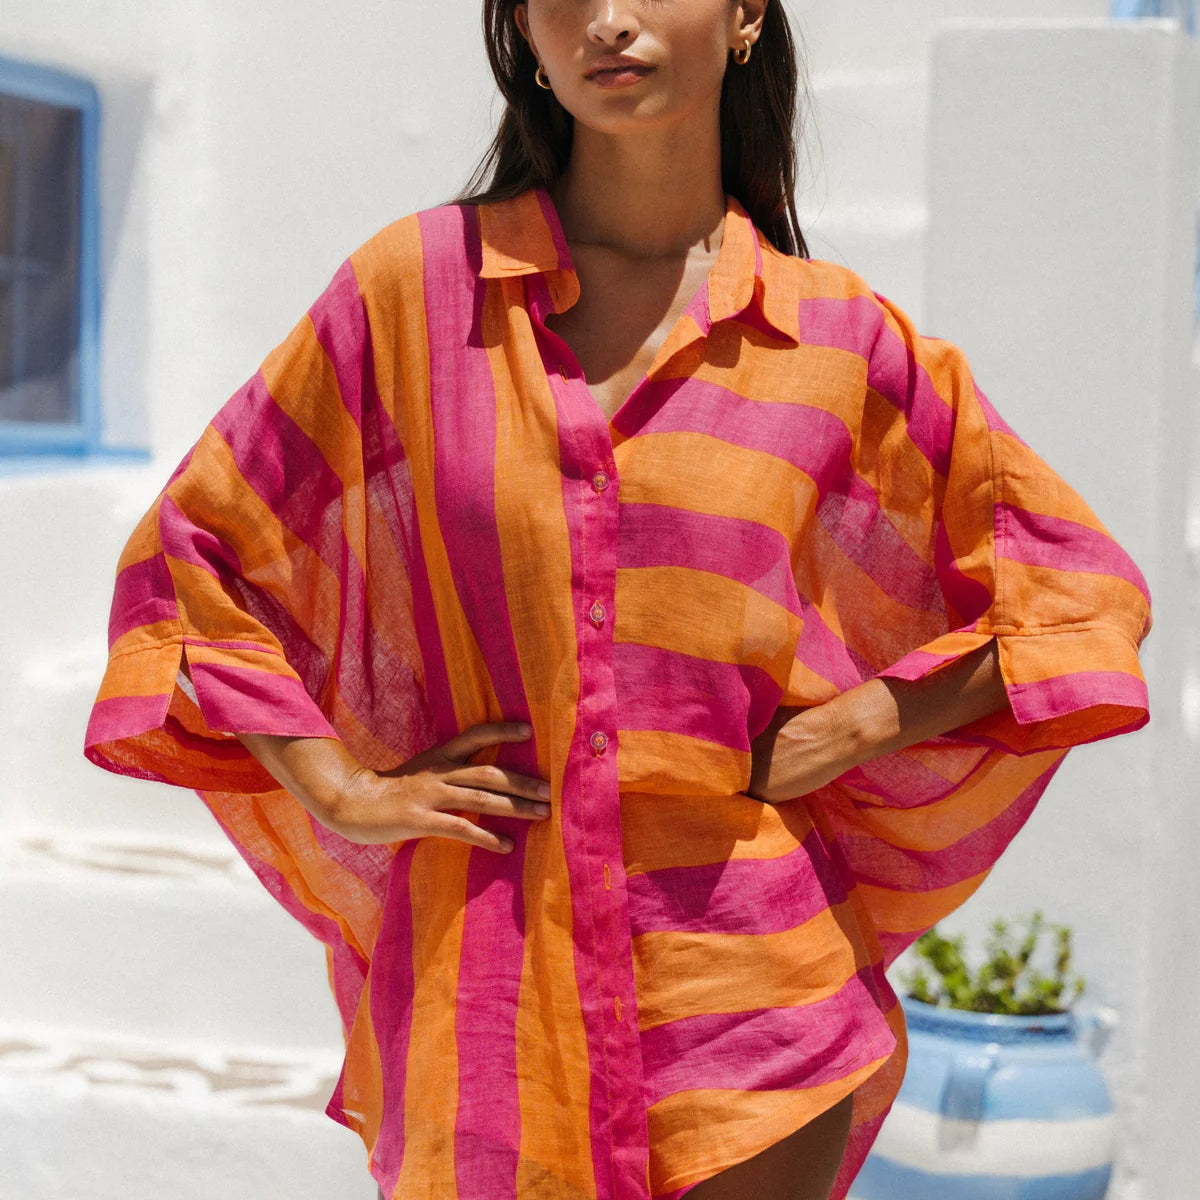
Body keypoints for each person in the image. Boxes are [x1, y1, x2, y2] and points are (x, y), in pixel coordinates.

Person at [84, 2, 1152, 1198]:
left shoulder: (836, 339)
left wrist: (860, 723)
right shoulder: (416, 293)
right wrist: (337, 784)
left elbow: (1074, 591)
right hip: (485, 993)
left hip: (753, 1011)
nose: (606, 18)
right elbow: (194, 552)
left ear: (745, 14)